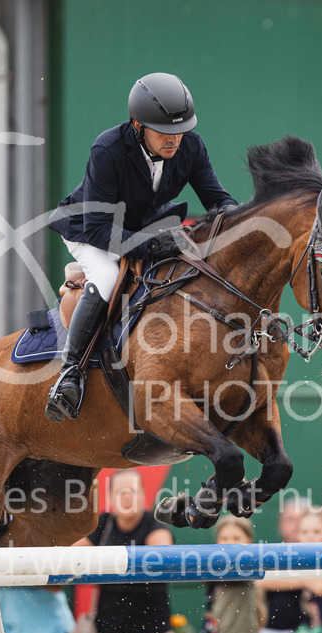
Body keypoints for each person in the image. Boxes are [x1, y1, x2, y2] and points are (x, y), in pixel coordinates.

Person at [45, 72, 238, 422]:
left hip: (139, 226)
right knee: (106, 278)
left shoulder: (191, 146)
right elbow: (100, 230)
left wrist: (241, 219)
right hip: (89, 229)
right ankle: (69, 374)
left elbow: (217, 198)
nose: (175, 140)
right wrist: (151, 246)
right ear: (137, 125)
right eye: (164, 132)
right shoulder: (108, 150)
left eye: (180, 130)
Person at [75, 469, 175, 633]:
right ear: (111, 498)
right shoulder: (103, 523)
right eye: (120, 492)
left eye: (133, 491)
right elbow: (71, 556)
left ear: (143, 496)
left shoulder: (154, 524)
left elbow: (162, 554)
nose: (126, 497)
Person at [203, 516, 262, 633]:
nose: (230, 544)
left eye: (236, 538)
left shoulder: (246, 568)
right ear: (216, 543)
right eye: (224, 538)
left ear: (249, 542)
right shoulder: (216, 574)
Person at [257, 496, 311, 633]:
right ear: (280, 524)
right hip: (269, 632)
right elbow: (258, 582)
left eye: (299, 519)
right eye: (289, 520)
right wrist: (303, 579)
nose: (295, 526)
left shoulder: (318, 553)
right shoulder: (271, 554)